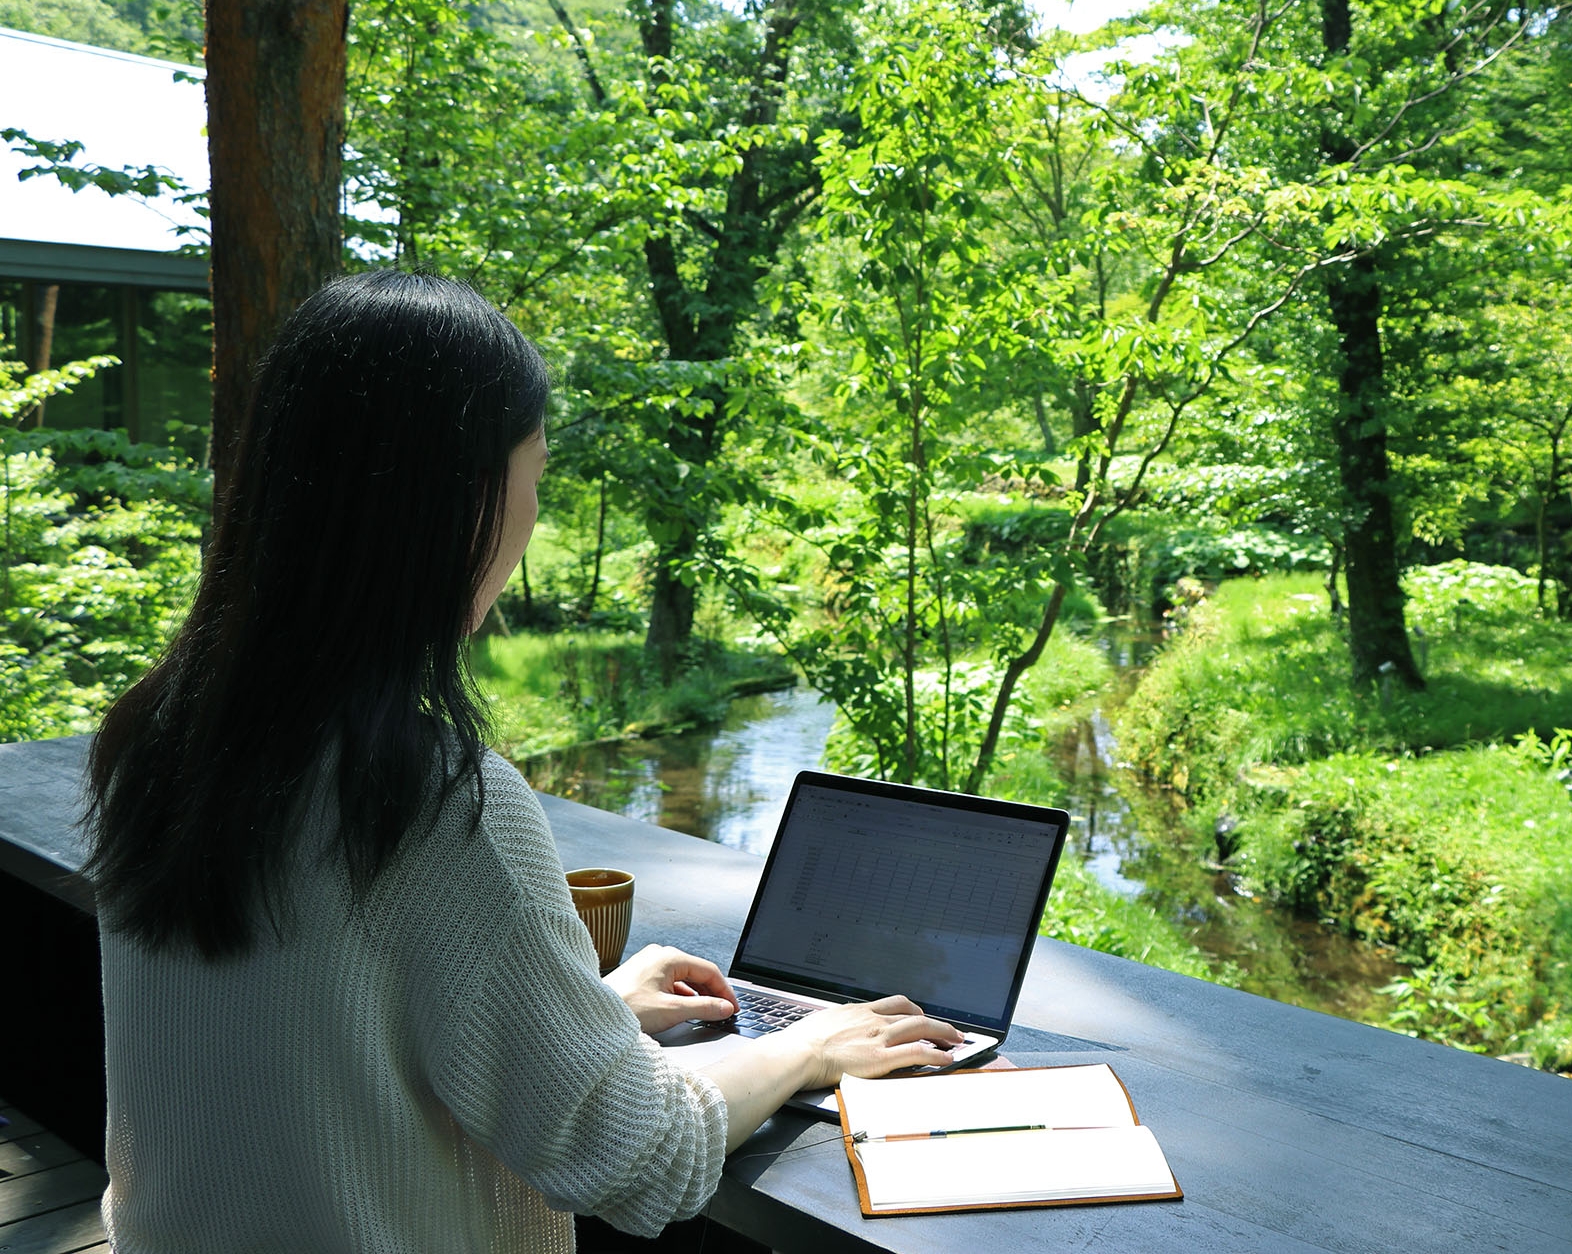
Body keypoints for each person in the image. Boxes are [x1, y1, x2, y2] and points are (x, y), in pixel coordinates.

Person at [82, 271, 961, 1251]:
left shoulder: (158, 741)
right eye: (531, 472)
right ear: (454, 503)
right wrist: (810, 1045)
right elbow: (641, 1157)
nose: (532, 512)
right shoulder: (430, 803)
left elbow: (321, 1032)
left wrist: (592, 1014)